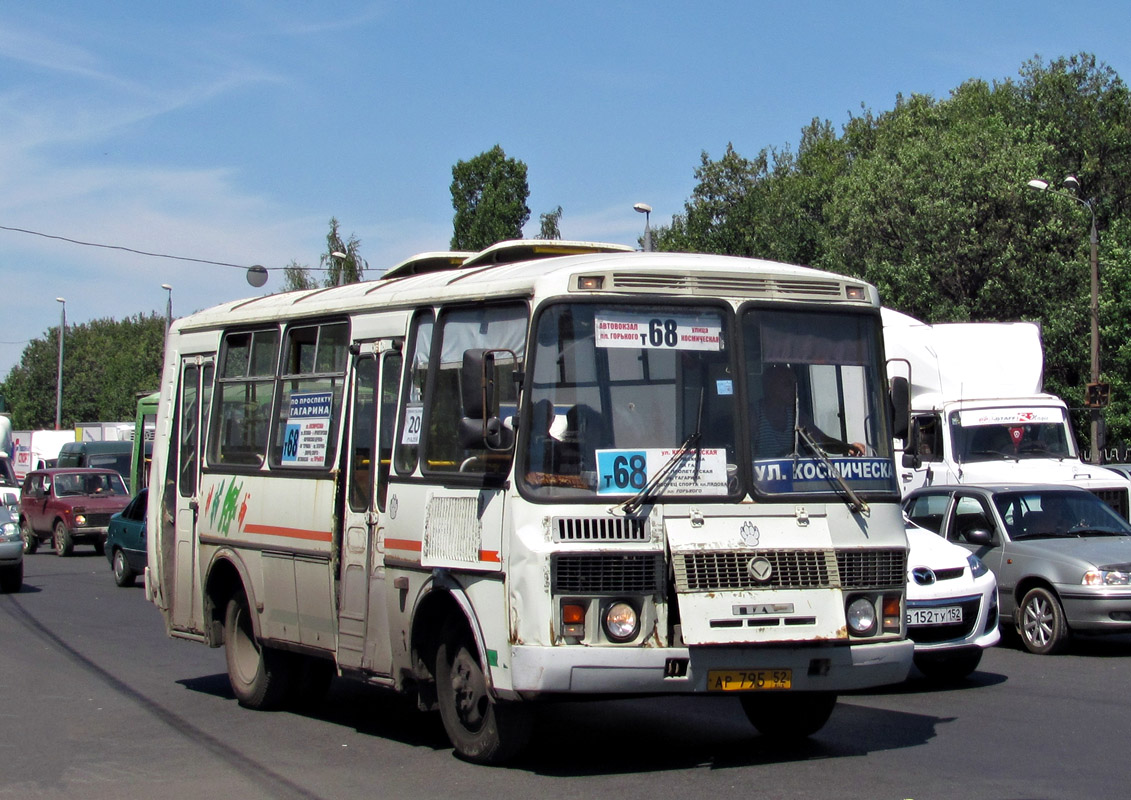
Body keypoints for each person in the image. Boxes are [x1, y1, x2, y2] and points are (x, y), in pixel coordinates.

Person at [754, 364, 865, 458]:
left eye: (794, 384)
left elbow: (821, 441)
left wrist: (847, 447)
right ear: (770, 386)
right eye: (787, 384)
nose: (793, 389)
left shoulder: (796, 416)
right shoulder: (754, 414)